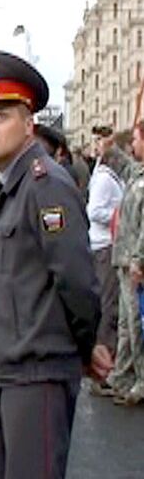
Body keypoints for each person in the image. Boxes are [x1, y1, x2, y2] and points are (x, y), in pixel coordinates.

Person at [0, 50, 110, 478]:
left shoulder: (46, 185)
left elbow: (77, 280)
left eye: (1, 117)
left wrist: (84, 348)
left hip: (37, 372)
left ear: (29, 123)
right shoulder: (15, 183)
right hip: (15, 371)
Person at [106, 121, 144, 406]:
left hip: (135, 262)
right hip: (124, 258)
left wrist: (139, 260)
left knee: (137, 325)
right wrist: (108, 144)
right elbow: (123, 163)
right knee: (124, 324)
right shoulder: (137, 173)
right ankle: (121, 375)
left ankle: (141, 381)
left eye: (136, 138)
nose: (133, 144)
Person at [86, 128, 123, 369]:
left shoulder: (108, 178)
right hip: (105, 245)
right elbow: (95, 211)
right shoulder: (103, 180)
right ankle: (104, 356)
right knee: (107, 303)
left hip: (108, 243)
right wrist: (120, 216)